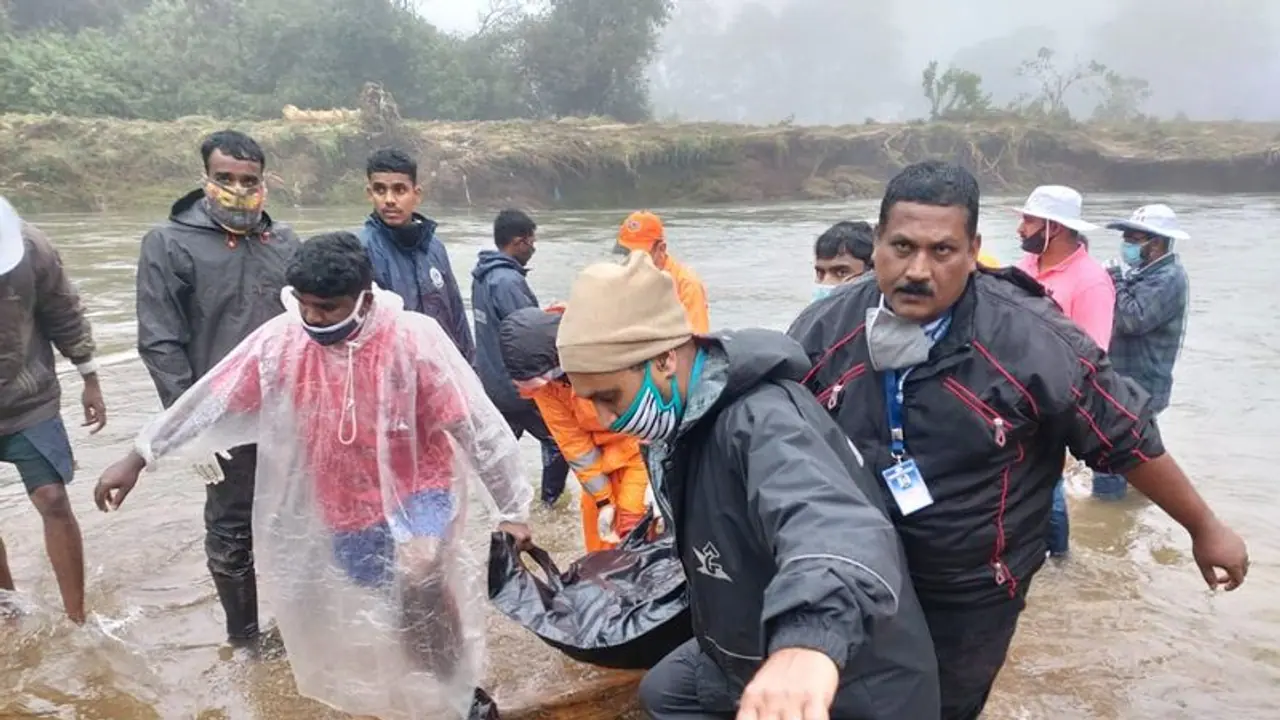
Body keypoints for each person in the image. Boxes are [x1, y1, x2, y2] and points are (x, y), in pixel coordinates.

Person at [788, 160, 1248, 720]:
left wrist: (1204, 527)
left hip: (975, 584)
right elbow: (777, 446)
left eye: (942, 251)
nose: (917, 270)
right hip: (861, 567)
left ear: (974, 249)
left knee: (942, 707)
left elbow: (1124, 436)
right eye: (901, 246)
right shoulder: (824, 331)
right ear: (877, 241)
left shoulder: (1033, 342)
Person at [96, 232, 533, 720]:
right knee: (389, 601)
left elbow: (475, 427)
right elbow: (213, 396)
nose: (313, 318)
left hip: (419, 490)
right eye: (304, 304)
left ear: (364, 299)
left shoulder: (414, 339)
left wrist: (513, 508)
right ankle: (420, 682)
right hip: (344, 505)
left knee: (420, 571)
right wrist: (141, 454)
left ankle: (461, 692)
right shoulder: (284, 341)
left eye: (327, 307)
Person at [557, 250, 939, 720]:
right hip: (743, 642)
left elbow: (831, 524)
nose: (602, 419)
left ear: (664, 360)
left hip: (848, 672)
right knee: (663, 692)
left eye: (607, 397)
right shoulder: (676, 426)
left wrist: (807, 642)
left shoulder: (763, 421)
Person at [135, 129, 300, 645]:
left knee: (298, 517)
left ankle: (304, 627)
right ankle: (245, 640)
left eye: (248, 180)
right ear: (205, 179)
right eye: (225, 178)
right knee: (231, 527)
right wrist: (189, 427)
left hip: (290, 409)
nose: (237, 189)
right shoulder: (168, 243)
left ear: (264, 182)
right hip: (222, 417)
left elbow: (309, 323)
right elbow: (160, 342)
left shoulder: (286, 242)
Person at [0, 196, 106, 624]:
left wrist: (90, 377)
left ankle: (76, 617)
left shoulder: (31, 248)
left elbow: (64, 311)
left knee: (52, 497)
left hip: (29, 395)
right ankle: (7, 610)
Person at [1013, 184, 1115, 558]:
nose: (1020, 228)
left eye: (1028, 220)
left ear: (1053, 227)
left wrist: (1069, 422)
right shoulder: (1024, 268)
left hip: (1051, 401)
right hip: (1012, 393)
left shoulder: (1090, 282)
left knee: (1047, 484)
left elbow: (1092, 357)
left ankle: (1060, 562)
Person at [498, 307, 650, 552]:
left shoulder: (606, 348)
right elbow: (574, 445)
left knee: (640, 533)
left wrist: (635, 501)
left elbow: (648, 429)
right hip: (601, 463)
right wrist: (604, 501)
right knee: (602, 547)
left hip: (640, 452)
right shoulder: (544, 385)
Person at [1094, 204, 1192, 500]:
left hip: (1142, 385)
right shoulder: (1144, 273)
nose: (1127, 245)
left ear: (1158, 242)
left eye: (1135, 239)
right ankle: (1133, 510)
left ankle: (1108, 518)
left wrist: (1114, 277)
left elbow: (1131, 319)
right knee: (1133, 454)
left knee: (1111, 455)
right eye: (1127, 238)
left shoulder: (1169, 278)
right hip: (1128, 383)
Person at [471, 209, 568, 506]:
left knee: (498, 451)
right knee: (559, 441)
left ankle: (499, 507)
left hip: (493, 383)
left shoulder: (482, 276)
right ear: (519, 242)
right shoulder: (508, 282)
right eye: (532, 241)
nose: (534, 248)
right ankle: (550, 505)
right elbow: (527, 336)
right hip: (518, 388)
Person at [360, 148, 475, 362]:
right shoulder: (362, 251)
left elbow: (457, 316)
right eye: (380, 190)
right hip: (394, 371)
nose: (389, 200)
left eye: (399, 190)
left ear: (416, 194)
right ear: (370, 194)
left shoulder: (435, 248)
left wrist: (471, 369)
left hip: (441, 366)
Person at [614, 210, 710, 333]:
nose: (631, 260)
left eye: (639, 254)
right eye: (626, 253)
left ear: (661, 249)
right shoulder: (623, 280)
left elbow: (698, 340)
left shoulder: (687, 286)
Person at [812, 220, 875, 302]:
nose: (826, 283)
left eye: (842, 273)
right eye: (820, 273)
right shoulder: (812, 313)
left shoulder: (886, 313)